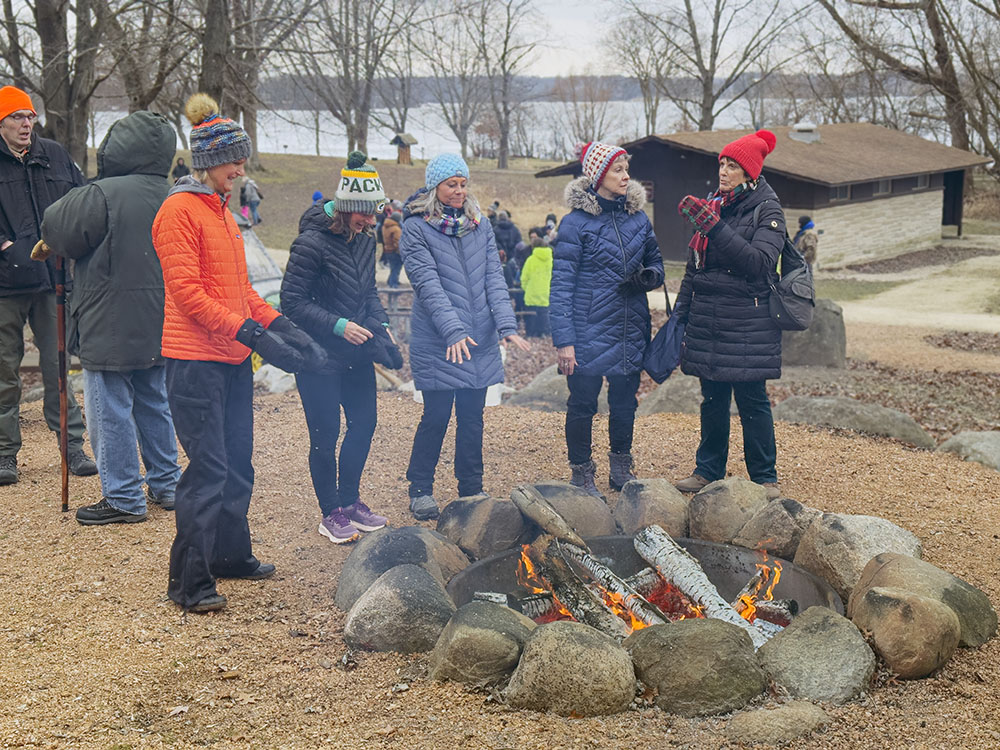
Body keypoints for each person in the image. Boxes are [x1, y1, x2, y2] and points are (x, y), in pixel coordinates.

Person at [152, 93, 325, 613]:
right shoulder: (178, 211)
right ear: (209, 161)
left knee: (238, 464)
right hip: (194, 361)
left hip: (229, 359)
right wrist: (250, 334)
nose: (241, 167)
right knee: (208, 469)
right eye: (235, 159)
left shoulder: (223, 212)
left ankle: (230, 556)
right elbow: (188, 295)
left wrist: (282, 325)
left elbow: (241, 290)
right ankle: (189, 582)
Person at [36, 111, 182, 525]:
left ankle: (123, 497)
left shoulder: (102, 193)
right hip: (162, 317)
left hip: (109, 319)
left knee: (110, 407)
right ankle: (167, 485)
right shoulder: (174, 193)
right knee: (155, 400)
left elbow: (57, 228)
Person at [280, 151, 402, 544]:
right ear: (346, 207)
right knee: (325, 434)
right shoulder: (310, 243)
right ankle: (329, 511)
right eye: (365, 214)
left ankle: (350, 502)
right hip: (316, 355)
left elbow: (368, 293)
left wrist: (381, 327)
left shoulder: (365, 242)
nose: (372, 221)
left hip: (356, 353)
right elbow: (292, 303)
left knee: (364, 424)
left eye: (374, 213)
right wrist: (338, 325)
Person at [400, 153, 530, 520]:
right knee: (437, 415)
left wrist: (506, 325)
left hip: (478, 337)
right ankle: (420, 488)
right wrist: (452, 330)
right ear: (434, 187)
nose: (458, 191)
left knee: (473, 416)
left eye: (462, 184)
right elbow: (427, 285)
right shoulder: (415, 227)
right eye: (450, 185)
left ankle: (471, 487)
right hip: (439, 337)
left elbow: (494, 277)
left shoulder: (479, 224)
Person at [672, 129, 784, 500]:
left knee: (752, 400)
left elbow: (759, 264)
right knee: (712, 399)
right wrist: (680, 316)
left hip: (748, 323)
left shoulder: (768, 210)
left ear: (749, 173)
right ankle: (707, 471)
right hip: (709, 320)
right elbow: (695, 268)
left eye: (732, 166)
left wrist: (715, 227)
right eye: (721, 163)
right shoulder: (713, 205)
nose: (723, 171)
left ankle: (764, 478)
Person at [550, 141, 663, 497]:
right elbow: (561, 287)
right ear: (598, 175)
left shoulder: (639, 219)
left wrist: (650, 276)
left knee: (625, 402)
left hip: (629, 327)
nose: (626, 176)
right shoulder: (575, 224)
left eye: (626, 169)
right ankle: (581, 472)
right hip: (586, 332)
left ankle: (620, 466)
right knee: (582, 403)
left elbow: (657, 263)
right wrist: (564, 341)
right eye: (618, 169)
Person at [0, 85, 96, 486]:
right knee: (5, 369)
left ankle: (71, 445)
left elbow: (82, 199)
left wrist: (72, 242)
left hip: (53, 278)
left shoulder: (54, 155)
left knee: (58, 363)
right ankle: (5, 454)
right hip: (4, 283)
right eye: (16, 118)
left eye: (29, 117)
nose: (26, 124)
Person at [519, 234, 552, 338]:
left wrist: (526, 288)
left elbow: (524, 277)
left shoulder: (531, 260)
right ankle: (543, 332)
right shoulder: (550, 260)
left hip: (532, 291)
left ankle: (530, 333)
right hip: (546, 291)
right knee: (543, 313)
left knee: (531, 314)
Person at [381, 209, 403, 288]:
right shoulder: (396, 229)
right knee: (396, 268)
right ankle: (393, 284)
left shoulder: (385, 226)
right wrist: (400, 251)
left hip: (387, 249)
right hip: (394, 251)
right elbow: (398, 242)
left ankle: (391, 280)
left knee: (393, 267)